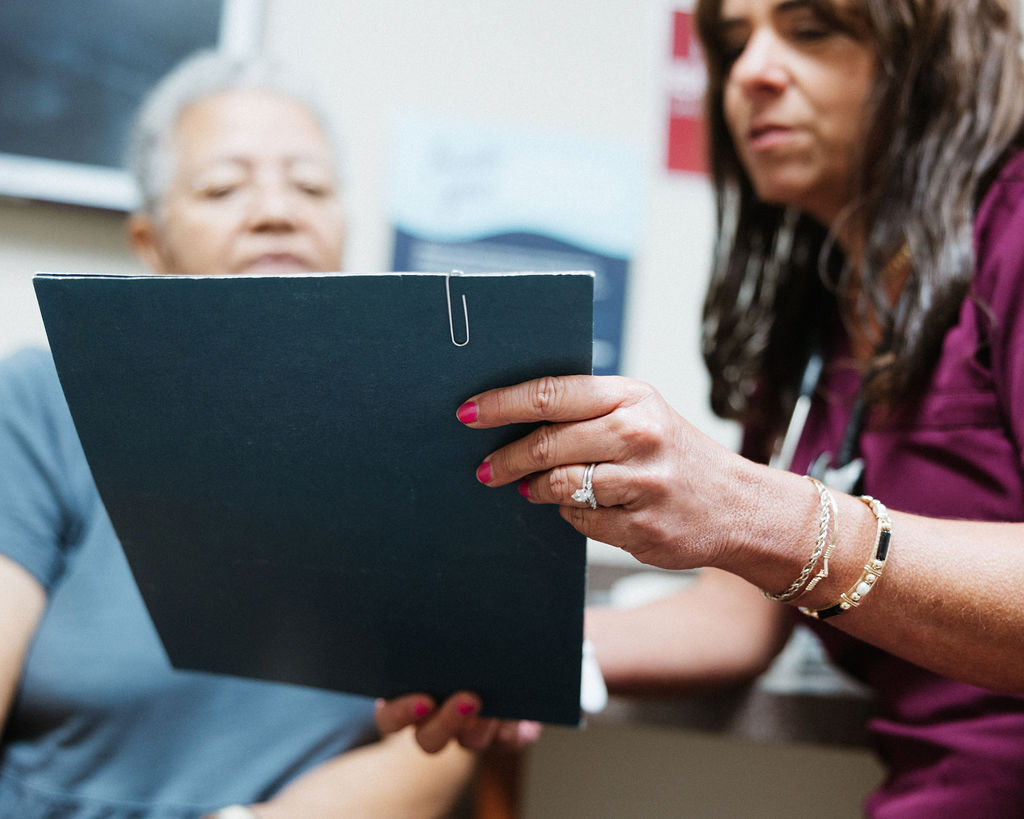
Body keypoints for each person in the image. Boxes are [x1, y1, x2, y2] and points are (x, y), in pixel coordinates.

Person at [377, 1, 1024, 815]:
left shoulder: (1015, 229)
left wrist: (763, 512)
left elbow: (779, 537)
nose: (750, 72)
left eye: (812, 28)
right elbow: (739, 615)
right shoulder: (818, 318)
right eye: (730, 41)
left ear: (934, 53)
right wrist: (519, 651)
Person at [0, 50, 474, 818]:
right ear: (149, 245)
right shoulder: (41, 400)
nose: (276, 211)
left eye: (311, 187)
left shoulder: (433, 435)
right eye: (223, 188)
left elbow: (447, 732)